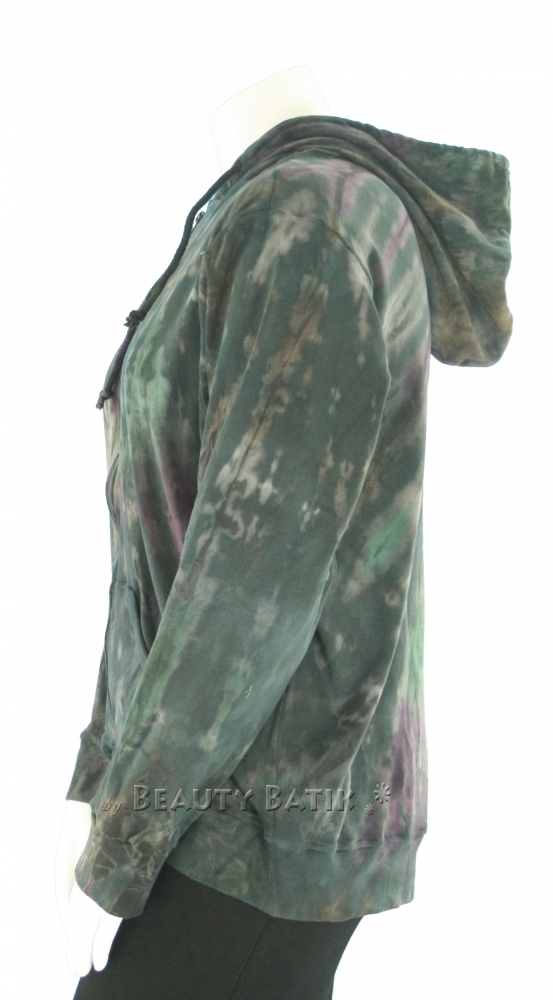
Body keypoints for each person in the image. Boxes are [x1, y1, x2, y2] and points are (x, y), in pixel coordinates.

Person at [56, 64, 513, 999]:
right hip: (213, 797)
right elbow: (165, 555)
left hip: (250, 817)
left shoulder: (303, 219)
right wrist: (98, 779)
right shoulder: (264, 213)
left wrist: (122, 836)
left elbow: (251, 576)